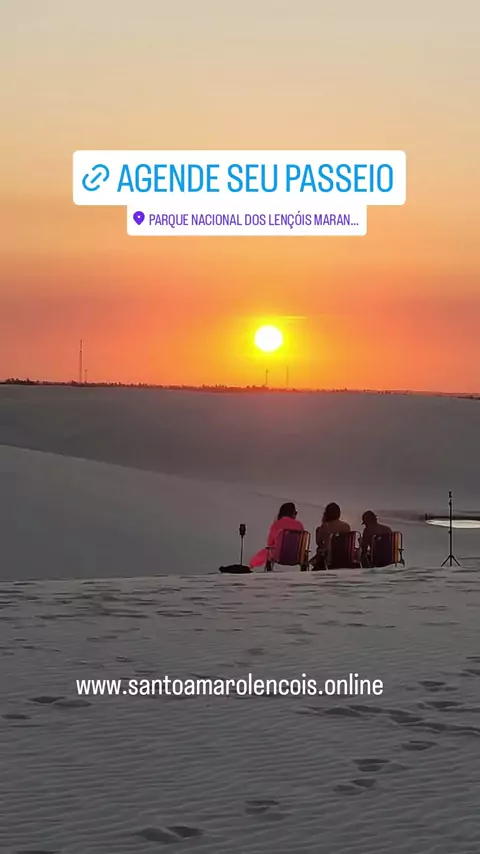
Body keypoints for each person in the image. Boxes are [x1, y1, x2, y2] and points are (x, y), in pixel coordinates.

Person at [249, 502, 304, 569]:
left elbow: (269, 544)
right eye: (295, 513)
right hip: (295, 557)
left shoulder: (276, 524)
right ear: (292, 513)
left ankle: (251, 566)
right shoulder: (299, 525)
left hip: (279, 556)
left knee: (266, 552)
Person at [312, 502, 350, 570]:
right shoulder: (346, 526)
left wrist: (322, 524)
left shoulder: (325, 526)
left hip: (330, 558)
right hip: (345, 557)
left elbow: (319, 543)